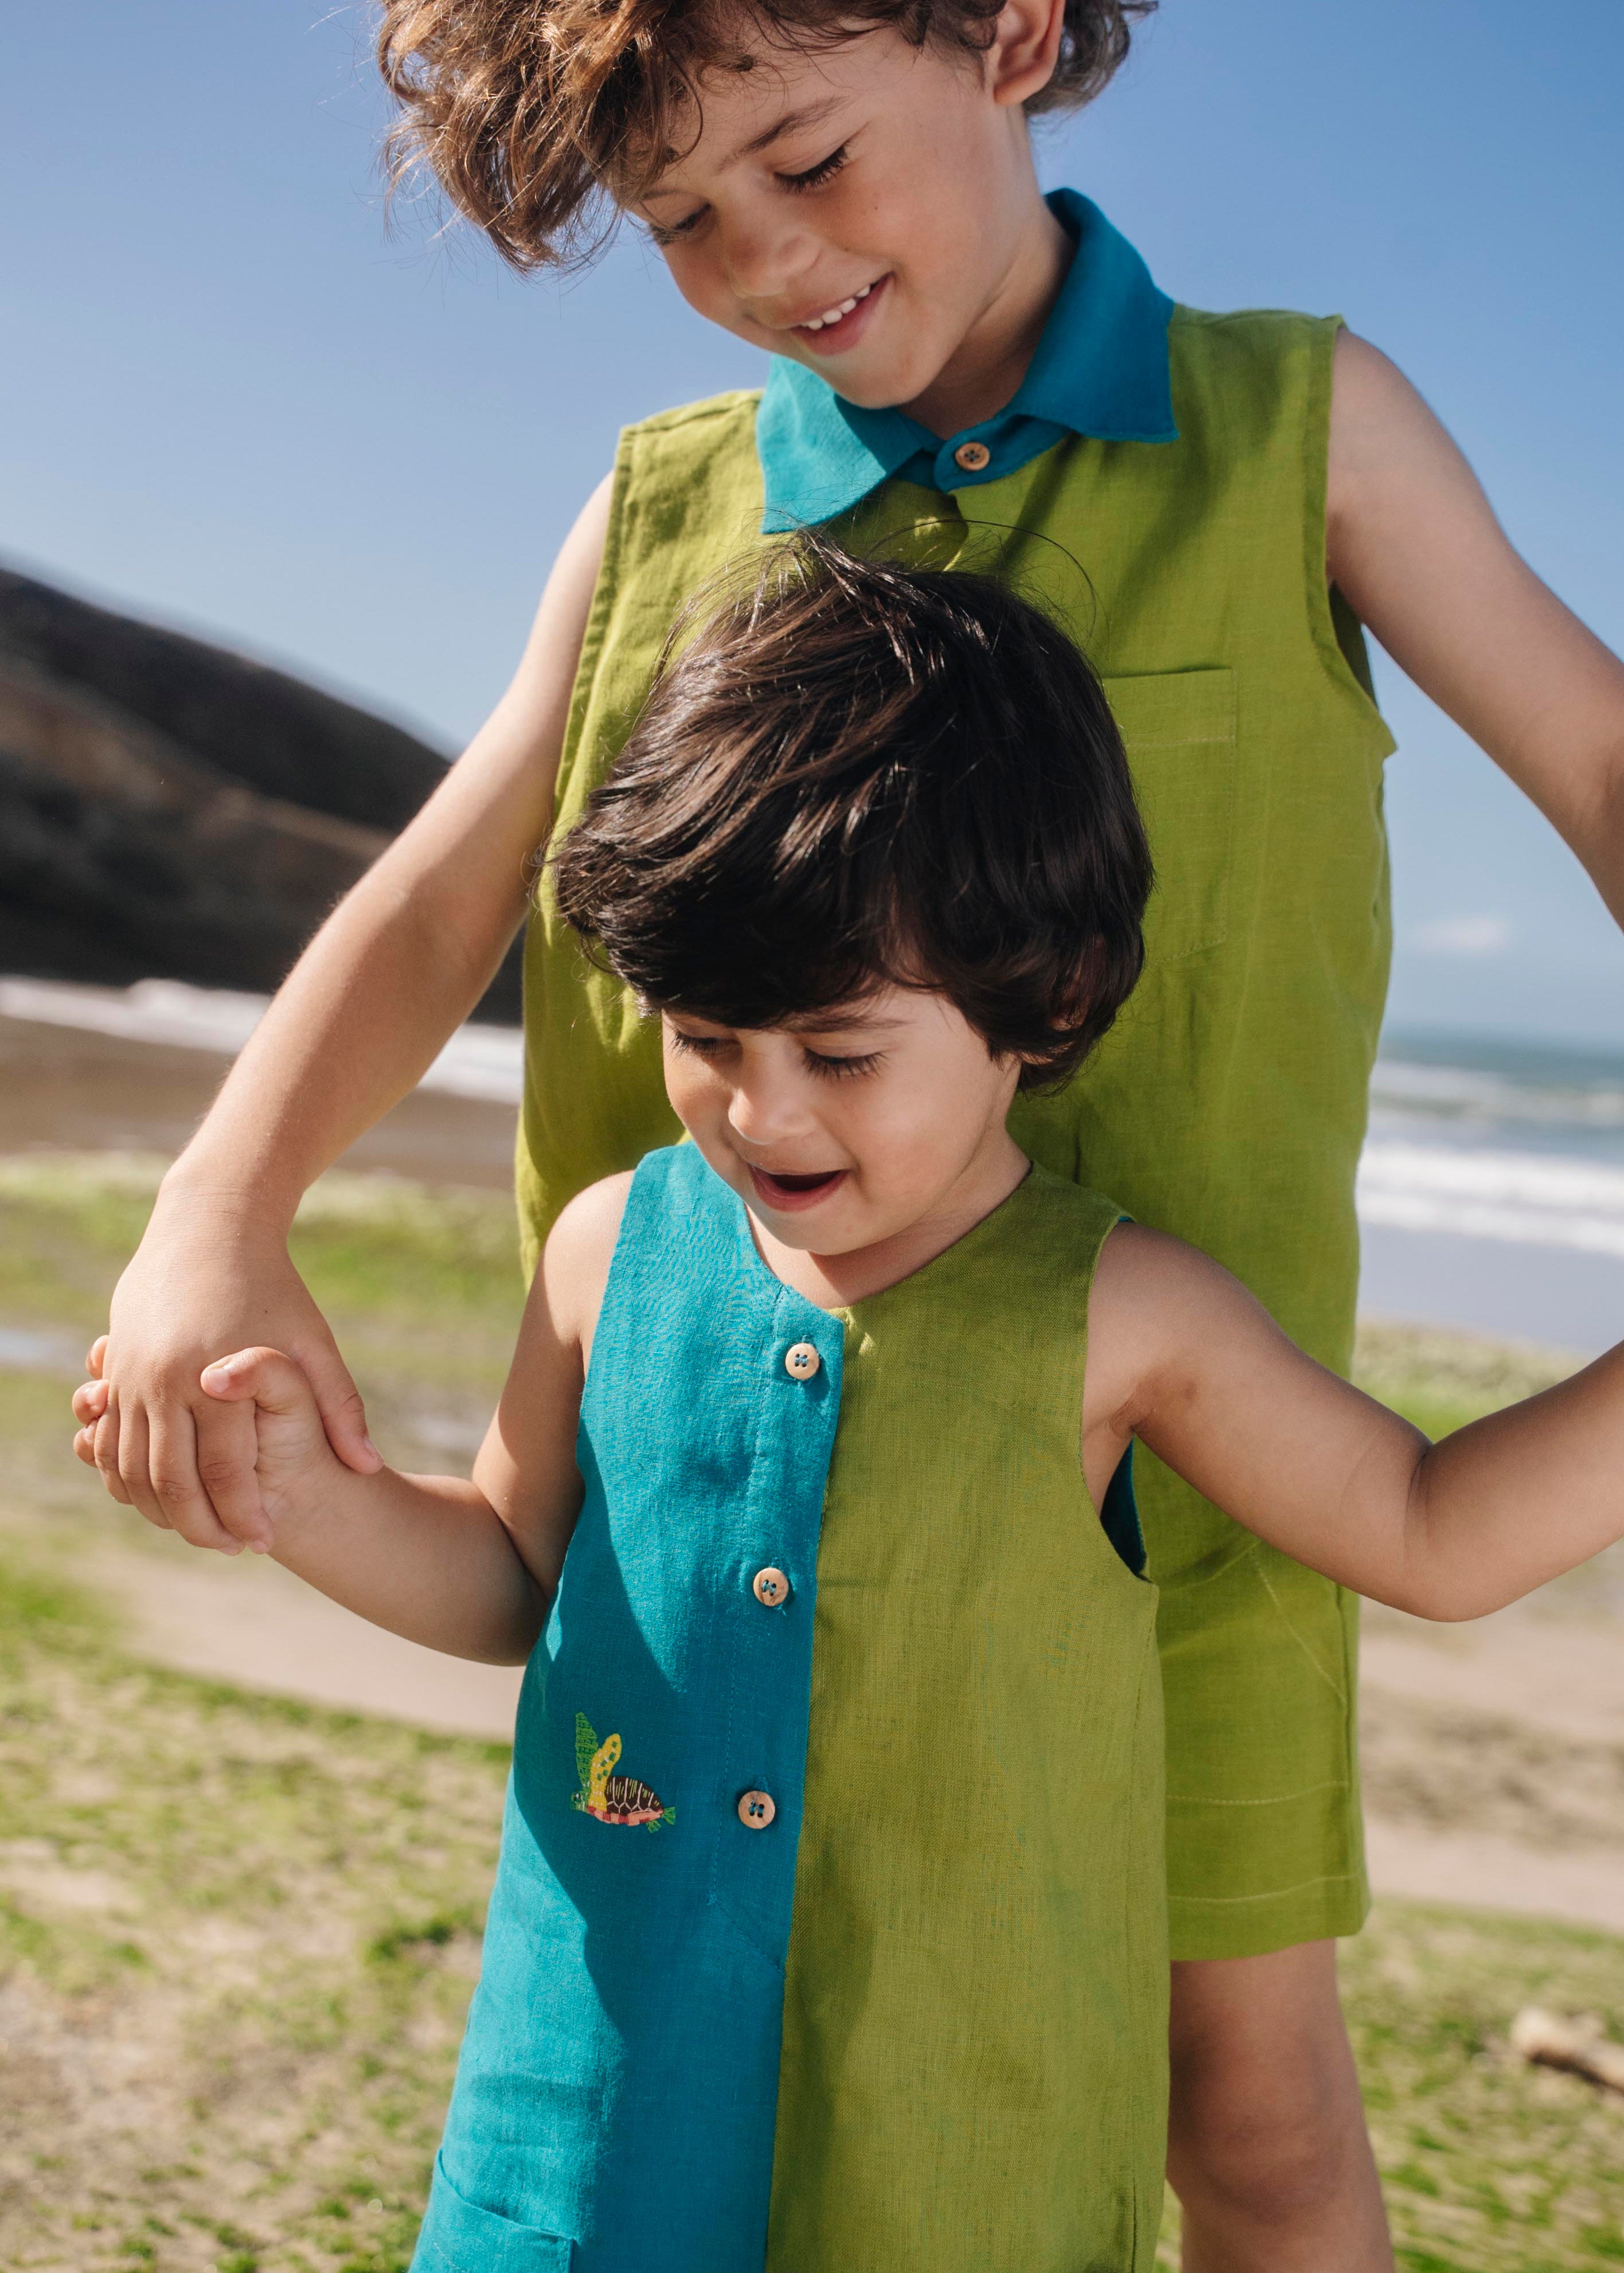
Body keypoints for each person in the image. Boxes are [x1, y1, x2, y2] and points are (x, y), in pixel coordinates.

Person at [80, 2, 1624, 2263]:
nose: (761, 259)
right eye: (682, 217)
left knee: (1257, 2118)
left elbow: (1597, 768)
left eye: (805, 159)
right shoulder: (665, 499)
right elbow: (442, 887)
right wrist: (215, 1212)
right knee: (729, 2056)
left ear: (1004, 31)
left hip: (1186, 1459)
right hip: (714, 1476)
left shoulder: (1301, 431)